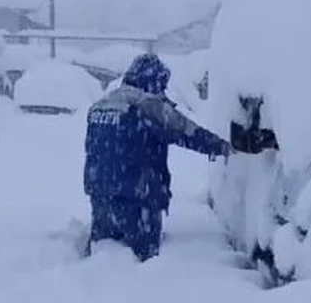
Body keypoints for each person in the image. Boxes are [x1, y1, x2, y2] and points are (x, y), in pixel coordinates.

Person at [83, 53, 233, 261]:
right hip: (138, 196)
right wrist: (223, 147)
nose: (163, 90)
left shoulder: (101, 104)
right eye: (162, 84)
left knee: (104, 251)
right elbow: (186, 131)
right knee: (144, 262)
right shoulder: (147, 104)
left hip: (99, 192)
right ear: (153, 81)